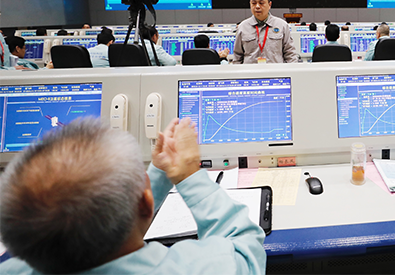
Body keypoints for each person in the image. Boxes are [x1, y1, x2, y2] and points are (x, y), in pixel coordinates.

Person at [0, 117, 266, 274]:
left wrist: (157, 173)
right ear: (145, 203)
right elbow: (245, 247)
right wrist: (189, 175)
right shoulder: (200, 269)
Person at [232, 0, 298, 64]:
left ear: (269, 5)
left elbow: (290, 54)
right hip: (251, 71)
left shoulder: (282, 25)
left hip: (275, 71)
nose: (257, 6)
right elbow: (237, 56)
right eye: (254, 3)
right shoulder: (242, 27)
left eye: (261, 3)